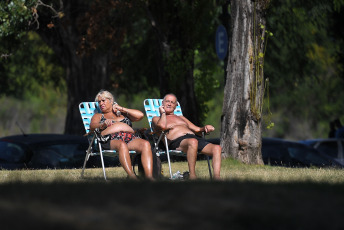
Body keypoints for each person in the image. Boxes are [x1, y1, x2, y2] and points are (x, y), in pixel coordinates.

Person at [152, 93, 222, 180]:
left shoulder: (181, 117)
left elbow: (197, 130)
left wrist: (205, 128)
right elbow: (162, 126)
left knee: (217, 148)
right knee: (193, 142)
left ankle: (217, 178)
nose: (169, 104)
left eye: (172, 102)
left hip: (193, 138)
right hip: (177, 141)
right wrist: (162, 113)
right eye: (167, 101)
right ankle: (192, 176)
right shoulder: (156, 118)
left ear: (175, 106)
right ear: (162, 103)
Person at [90, 90, 154, 180]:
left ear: (111, 101)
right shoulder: (99, 116)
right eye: (99, 102)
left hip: (129, 138)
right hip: (110, 139)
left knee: (145, 144)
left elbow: (140, 115)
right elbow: (92, 126)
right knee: (122, 145)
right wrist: (102, 124)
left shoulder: (122, 113)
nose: (101, 103)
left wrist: (121, 109)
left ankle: (149, 178)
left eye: (103, 100)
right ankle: (132, 177)